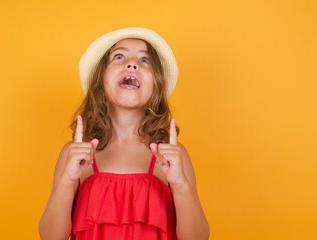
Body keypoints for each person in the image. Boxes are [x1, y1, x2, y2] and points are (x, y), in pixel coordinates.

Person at [39, 27, 209, 240]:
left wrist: (180, 184)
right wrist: (67, 181)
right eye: (119, 56)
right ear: (100, 79)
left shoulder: (173, 155)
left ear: (156, 85)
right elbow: (50, 237)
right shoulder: (75, 154)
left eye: (145, 60)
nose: (131, 63)